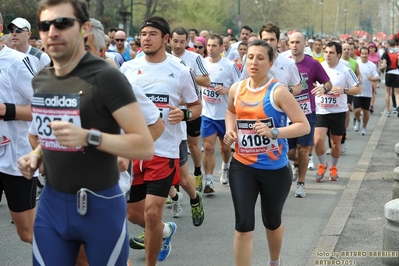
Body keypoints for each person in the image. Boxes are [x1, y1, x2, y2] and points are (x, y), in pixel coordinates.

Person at [17, 1, 154, 265]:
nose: (53, 32)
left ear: (84, 29)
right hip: (52, 205)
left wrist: (88, 137)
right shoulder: (42, 78)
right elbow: (52, 134)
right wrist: (36, 155)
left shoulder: (106, 76)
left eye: (63, 23)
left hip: (101, 205)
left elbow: (144, 144)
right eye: (45, 26)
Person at [120, 16, 202, 264]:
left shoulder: (180, 70)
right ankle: (165, 232)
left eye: (153, 33)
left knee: (153, 212)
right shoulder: (128, 69)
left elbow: (197, 106)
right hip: (134, 150)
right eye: (143, 33)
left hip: (164, 150)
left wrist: (185, 113)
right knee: (134, 214)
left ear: (166, 39)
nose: (146, 38)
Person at [224, 39, 310, 266]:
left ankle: (274, 261)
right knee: (243, 225)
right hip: (242, 165)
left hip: (274, 169)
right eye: (250, 57)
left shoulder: (278, 91)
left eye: (260, 58)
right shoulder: (237, 88)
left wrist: (275, 132)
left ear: (270, 62)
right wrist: (230, 130)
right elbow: (230, 111)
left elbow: (303, 125)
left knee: (271, 222)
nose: (254, 62)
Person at [0, 11, 37, 244]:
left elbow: (45, 107)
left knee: (27, 234)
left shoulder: (16, 62)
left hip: (15, 159)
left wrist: (6, 110)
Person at [287, 32, 332, 198]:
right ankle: (296, 163)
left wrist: (324, 88)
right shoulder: (283, 63)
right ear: (288, 43)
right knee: (291, 153)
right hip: (288, 114)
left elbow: (327, 82)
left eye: (298, 42)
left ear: (304, 44)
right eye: (292, 42)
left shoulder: (312, 64)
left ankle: (301, 183)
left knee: (304, 149)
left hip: (307, 112)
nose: (295, 45)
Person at [169, 26, 210, 194]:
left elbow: (207, 81)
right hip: (172, 109)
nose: (178, 45)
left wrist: (187, 76)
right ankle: (174, 185)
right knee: (173, 147)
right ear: (169, 40)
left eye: (182, 42)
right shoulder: (164, 58)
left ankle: (198, 171)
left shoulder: (194, 58)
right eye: (175, 41)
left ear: (188, 42)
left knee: (192, 146)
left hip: (191, 107)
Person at [314, 42, 362, 182]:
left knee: (335, 143)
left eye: (331, 52)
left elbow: (358, 89)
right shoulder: (319, 67)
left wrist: (343, 90)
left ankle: (334, 167)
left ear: (339, 55)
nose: (327, 55)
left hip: (338, 112)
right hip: (321, 110)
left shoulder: (346, 70)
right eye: (326, 52)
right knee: (317, 141)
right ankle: (322, 164)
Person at [201, 34, 240, 191]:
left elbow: (239, 87)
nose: (210, 48)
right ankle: (209, 180)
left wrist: (226, 90)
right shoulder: (202, 64)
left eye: (214, 46)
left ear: (221, 48)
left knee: (225, 148)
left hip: (225, 115)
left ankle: (225, 166)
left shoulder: (229, 65)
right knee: (208, 147)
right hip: (208, 114)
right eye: (208, 45)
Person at [354, 46, 379, 135]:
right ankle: (357, 120)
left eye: (366, 54)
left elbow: (377, 77)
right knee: (357, 110)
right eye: (362, 54)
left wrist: (372, 78)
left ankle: (364, 127)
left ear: (368, 54)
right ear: (360, 54)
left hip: (367, 92)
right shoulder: (356, 63)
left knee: (365, 111)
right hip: (357, 91)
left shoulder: (371, 65)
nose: (364, 55)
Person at [380, 38, 399, 117]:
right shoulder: (398, 52)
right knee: (397, 93)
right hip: (397, 73)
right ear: (395, 44)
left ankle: (388, 111)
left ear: (388, 44)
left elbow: (384, 65)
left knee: (388, 92)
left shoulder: (386, 52)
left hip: (389, 73)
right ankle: (397, 106)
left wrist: (381, 70)